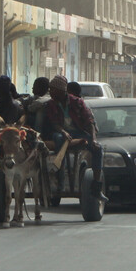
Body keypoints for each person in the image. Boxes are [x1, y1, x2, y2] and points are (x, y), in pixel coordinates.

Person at [45, 74, 109, 203]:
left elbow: (89, 122)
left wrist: (94, 140)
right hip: (62, 134)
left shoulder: (77, 102)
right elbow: (54, 123)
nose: (50, 92)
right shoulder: (51, 104)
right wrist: (63, 132)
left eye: (53, 89)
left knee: (98, 149)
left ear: (61, 90)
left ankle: (97, 187)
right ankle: (60, 179)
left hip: (79, 133)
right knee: (58, 138)